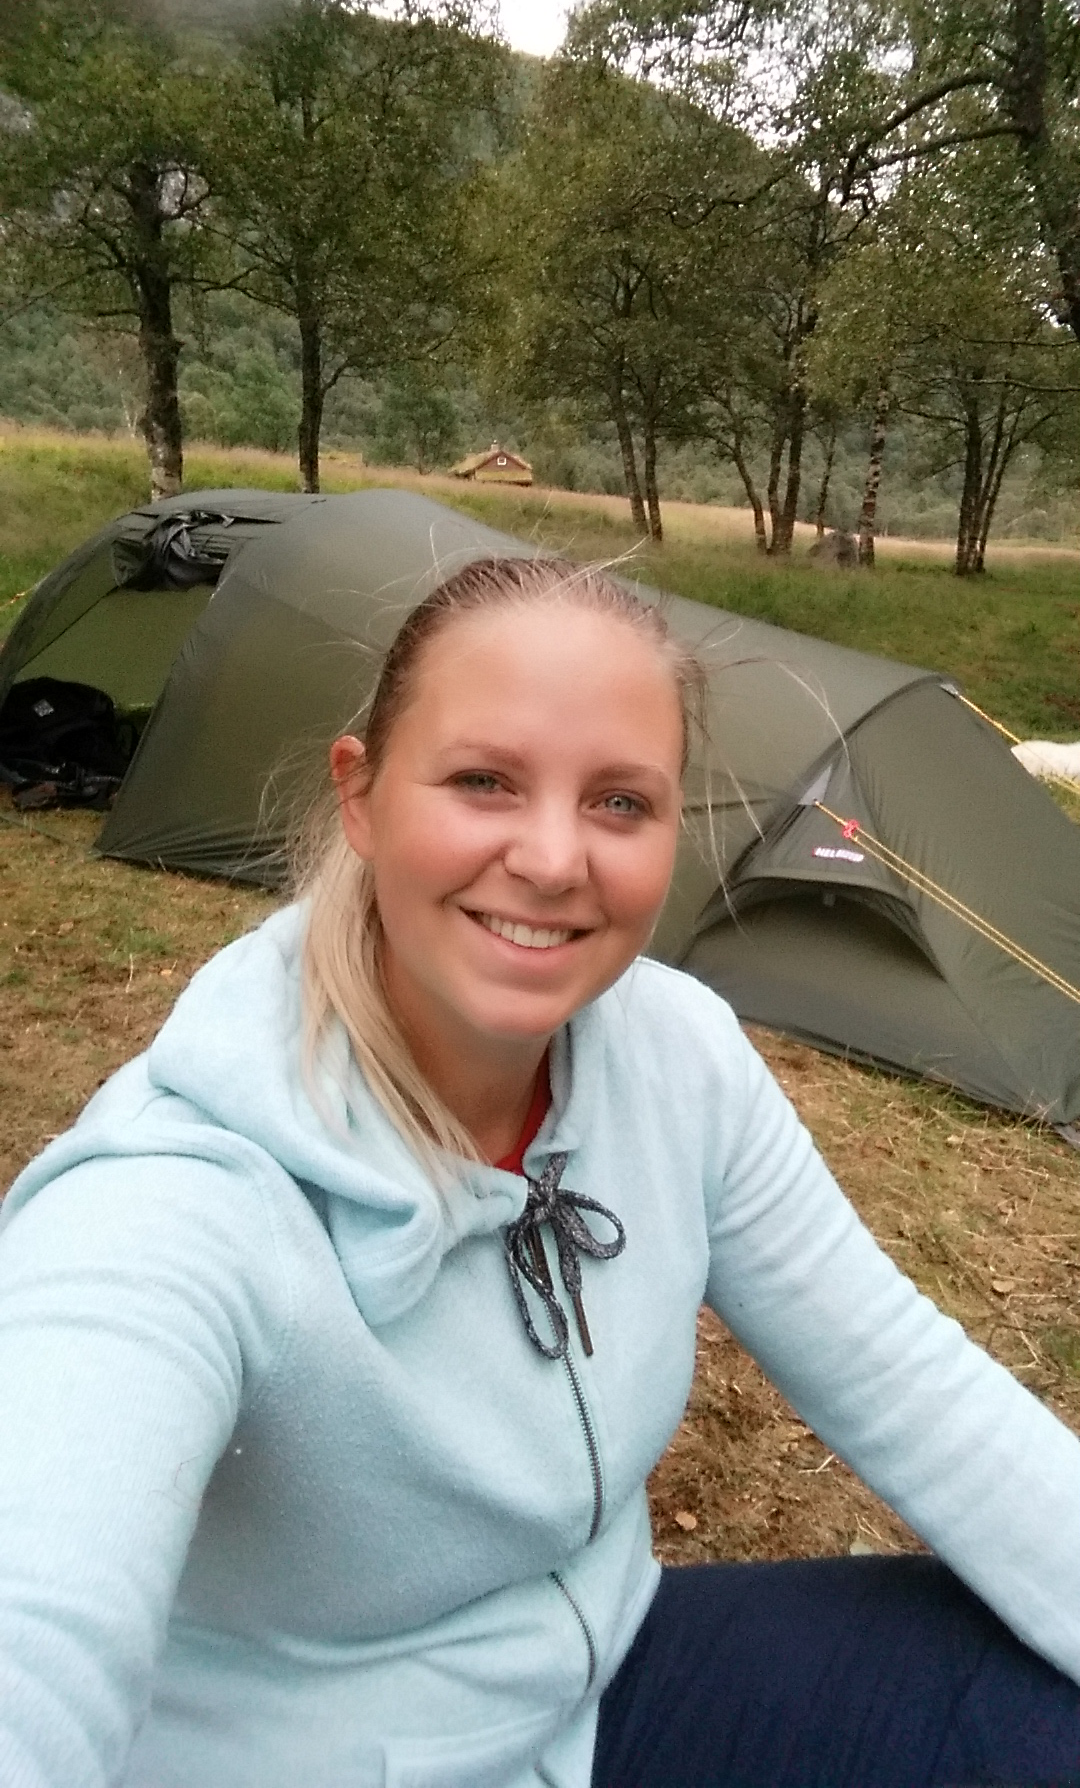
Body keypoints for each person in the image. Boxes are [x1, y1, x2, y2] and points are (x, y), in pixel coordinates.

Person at [0, 554, 1079, 1788]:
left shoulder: (678, 1058)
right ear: (360, 796)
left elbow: (910, 1385)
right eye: (484, 781)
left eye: (620, 802)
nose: (556, 859)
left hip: (612, 1678)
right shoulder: (176, 1197)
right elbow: (37, 1599)